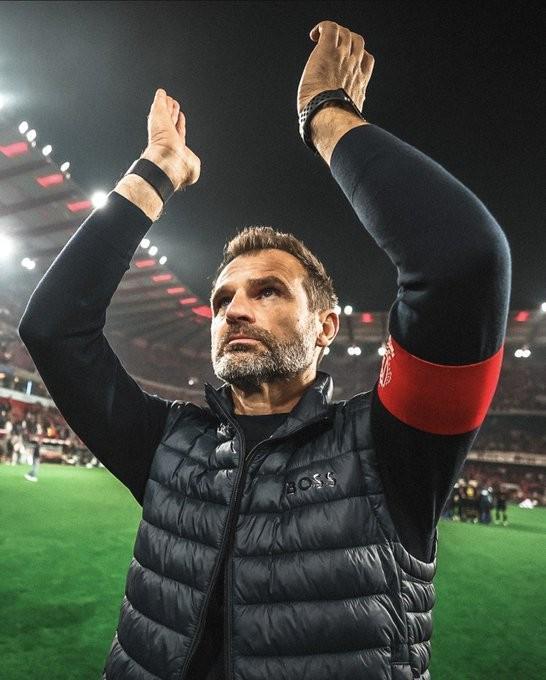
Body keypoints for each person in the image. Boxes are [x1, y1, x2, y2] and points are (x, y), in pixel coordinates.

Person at [18, 20, 510, 680]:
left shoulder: (393, 450)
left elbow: (464, 262)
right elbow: (53, 328)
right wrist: (156, 172)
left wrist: (325, 114)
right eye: (222, 299)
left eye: (269, 291)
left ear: (326, 327)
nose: (235, 310)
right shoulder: (170, 444)